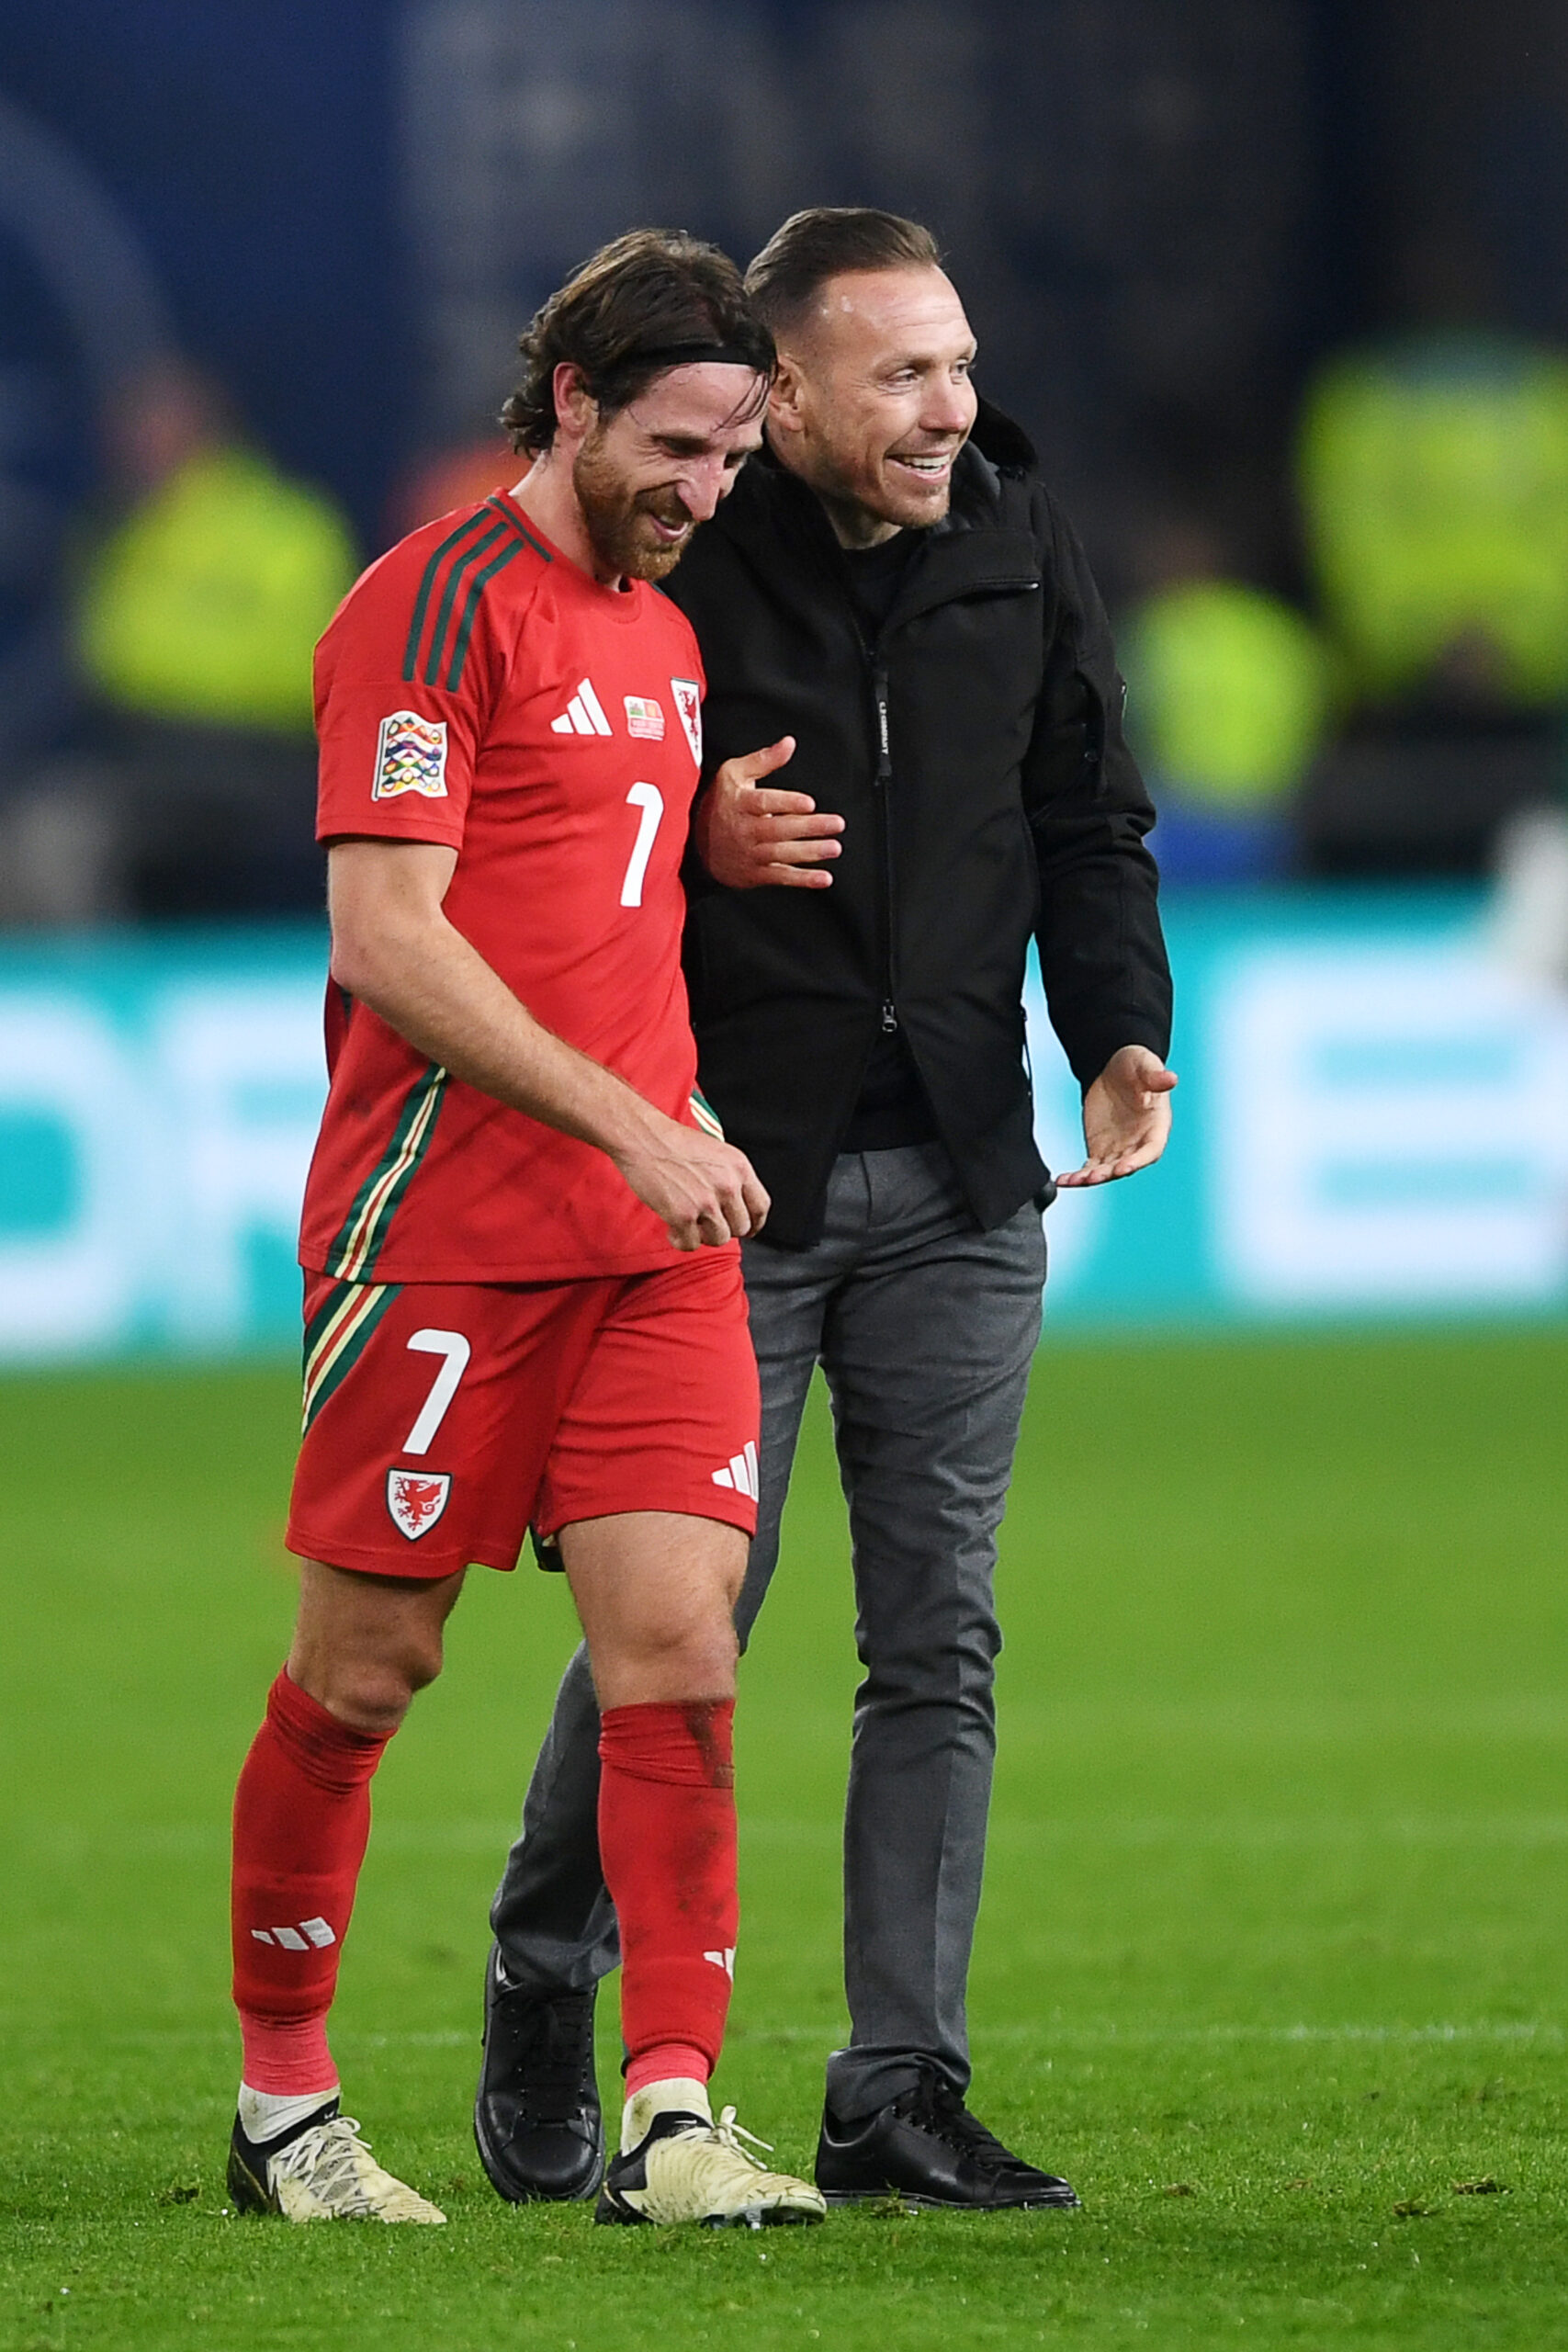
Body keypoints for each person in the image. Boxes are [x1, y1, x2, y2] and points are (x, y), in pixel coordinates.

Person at [478, 209, 1175, 2214]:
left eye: (956, 363)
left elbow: (1084, 808)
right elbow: (558, 810)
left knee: (936, 1630)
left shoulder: (1011, 530)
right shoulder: (679, 547)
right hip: (725, 1168)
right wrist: (692, 842)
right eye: (902, 375)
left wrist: (1115, 1026)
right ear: (780, 392)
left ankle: (894, 2082)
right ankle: (546, 1967)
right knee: (681, 1616)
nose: (950, 407)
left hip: (964, 1162)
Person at [225, 230, 825, 2232]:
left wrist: (706, 855)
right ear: (567, 398)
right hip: (446, 1235)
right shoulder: (426, 607)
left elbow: (589, 886)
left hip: (652, 1244)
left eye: (732, 457)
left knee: (677, 1647)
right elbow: (391, 941)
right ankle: (285, 2110)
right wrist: (634, 1125)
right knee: (366, 1668)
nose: (703, 491)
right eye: (674, 445)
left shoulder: (660, 629)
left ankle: (670, 2114)